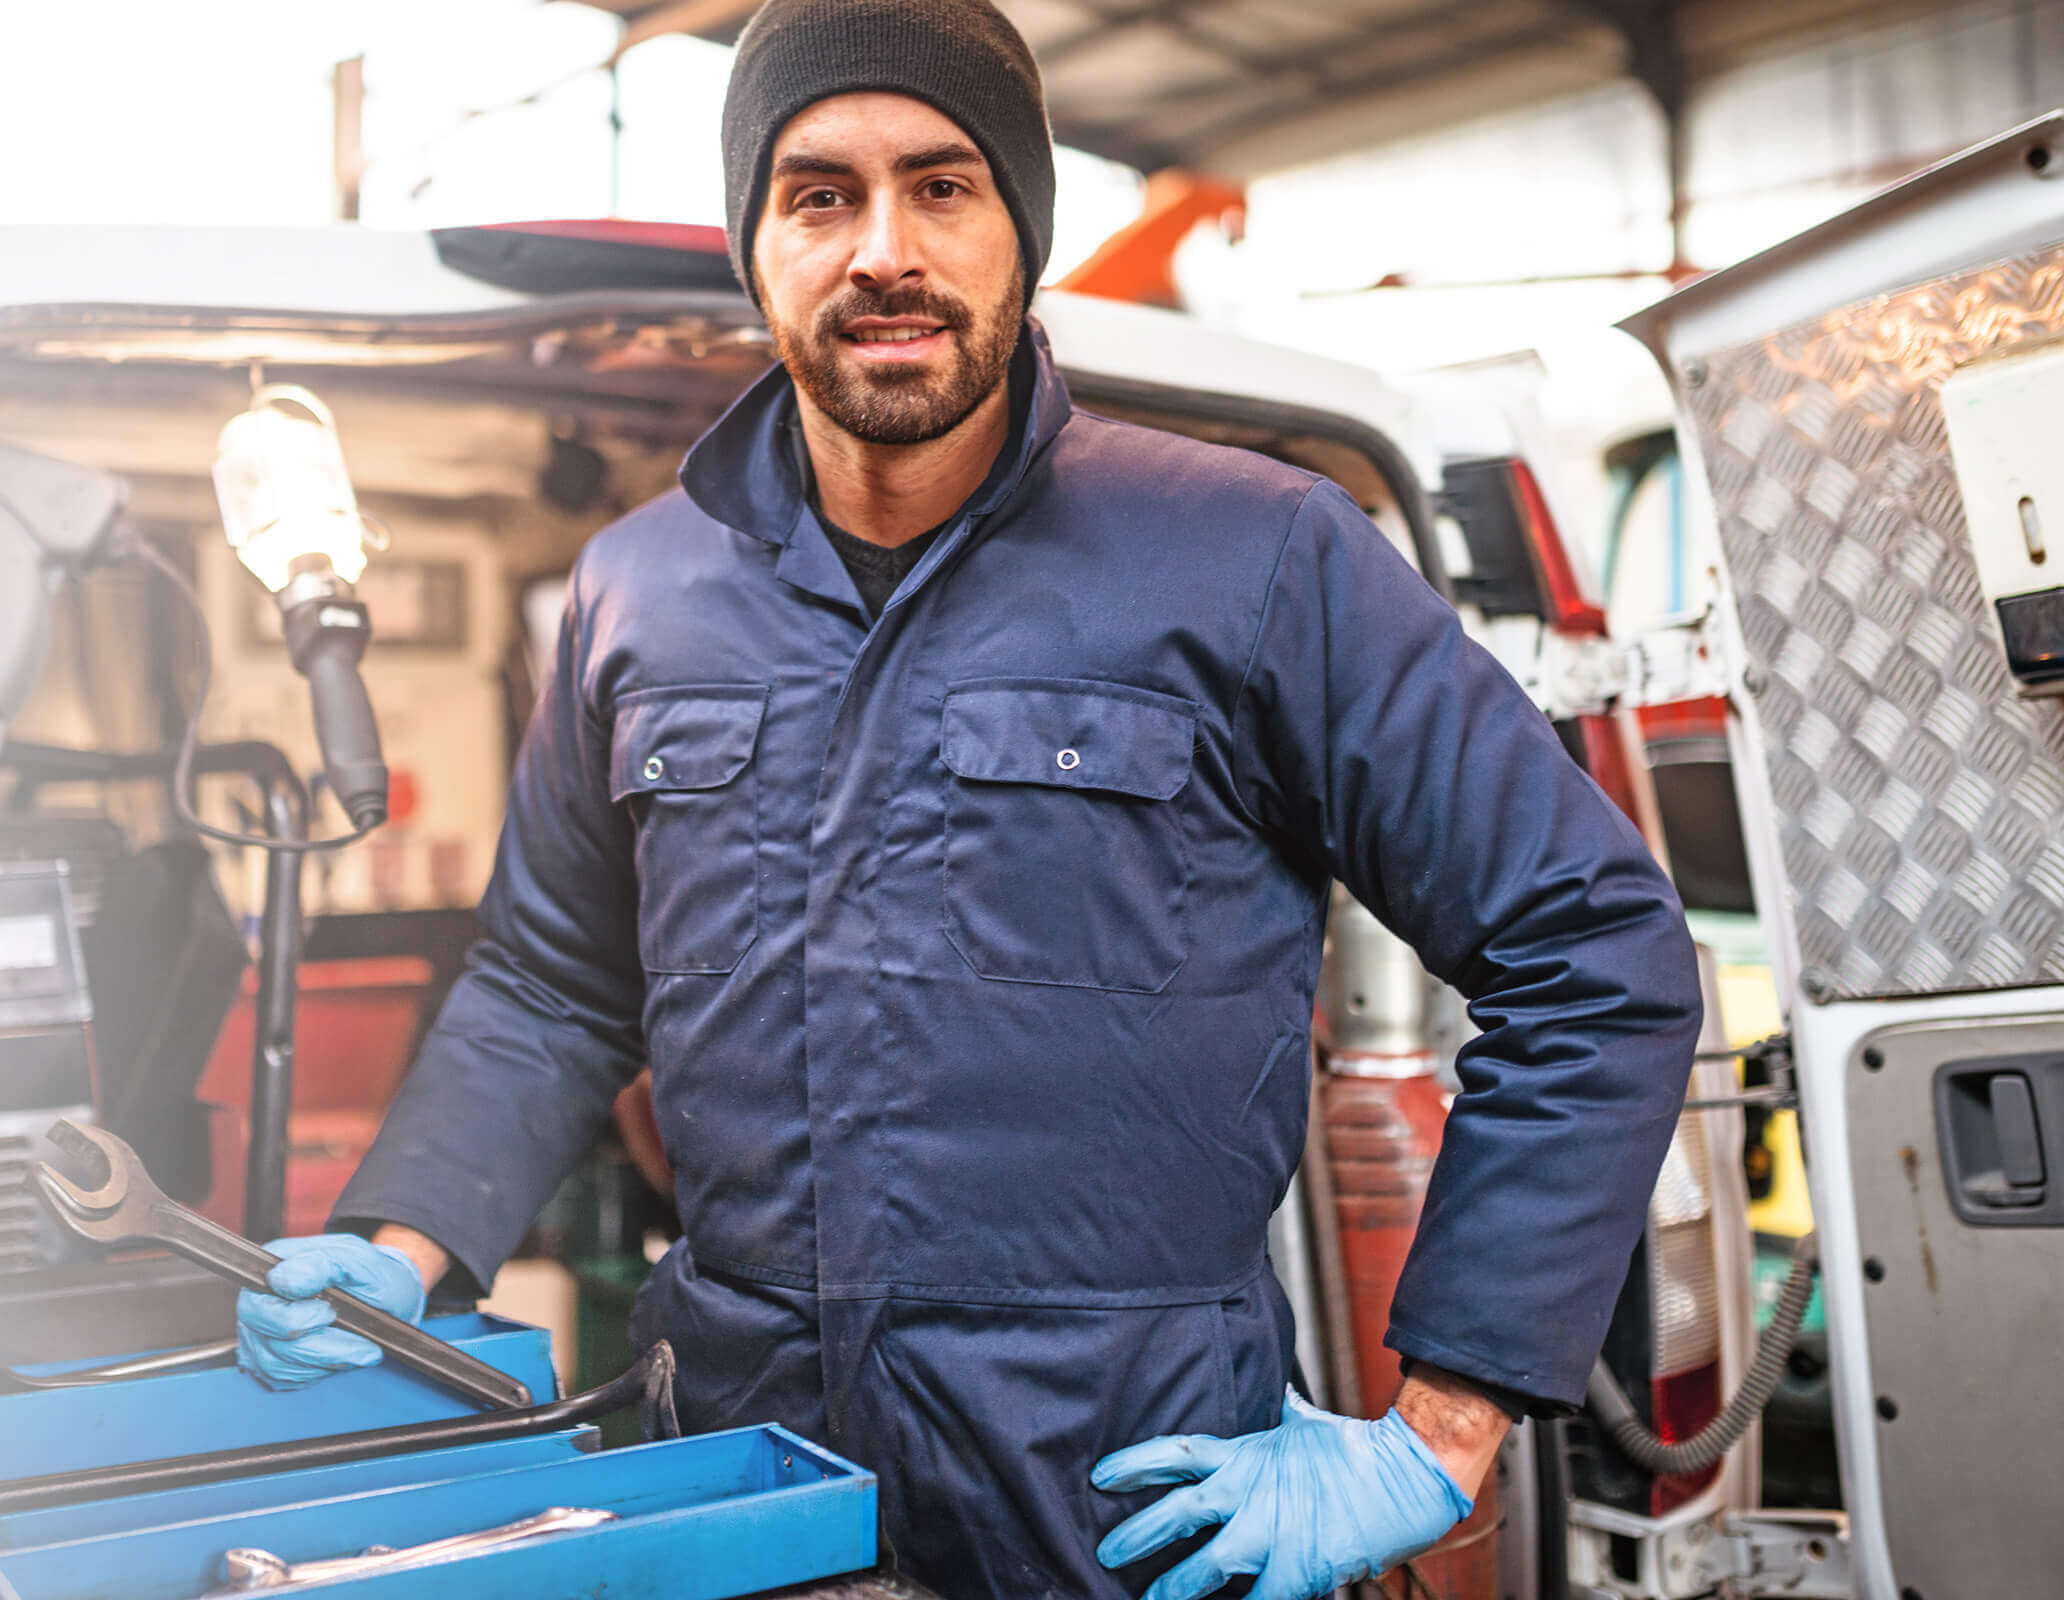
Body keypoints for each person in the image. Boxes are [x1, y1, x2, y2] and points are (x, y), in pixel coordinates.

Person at [233, 2, 1704, 1596]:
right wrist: (401, 1251)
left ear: (1022, 231)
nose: (883, 251)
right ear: (756, 242)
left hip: (1128, 1509)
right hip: (740, 1482)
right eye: (820, 194)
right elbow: (551, 982)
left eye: (943, 187)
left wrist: (1441, 1430)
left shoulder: (1258, 558)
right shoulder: (636, 592)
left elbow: (1596, 949)